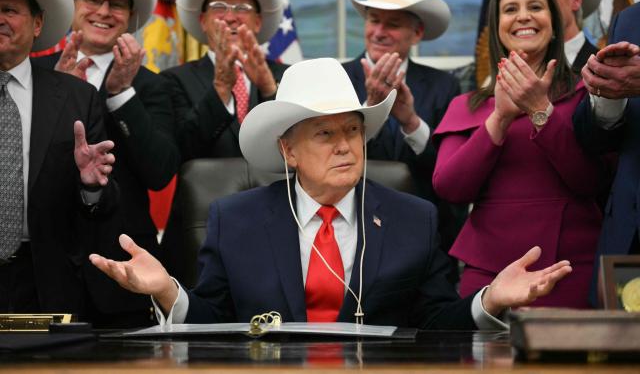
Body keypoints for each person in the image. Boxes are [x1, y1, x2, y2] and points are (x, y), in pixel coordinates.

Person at [89, 58, 572, 329]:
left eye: (353, 130)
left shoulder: (413, 218)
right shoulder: (234, 219)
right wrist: (168, 291)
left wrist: (488, 300)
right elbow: (215, 318)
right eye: (324, 134)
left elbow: (435, 322)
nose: (345, 145)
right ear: (289, 150)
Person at [432, 0, 604, 308]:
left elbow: (592, 180)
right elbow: (450, 189)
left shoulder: (588, 93)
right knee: (483, 361)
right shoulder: (466, 105)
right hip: (487, 275)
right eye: (510, 9)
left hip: (570, 269)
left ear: (554, 24)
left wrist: (540, 110)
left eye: (535, 7)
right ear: (497, 27)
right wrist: (499, 118)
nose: (523, 16)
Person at [34, 0, 180, 326]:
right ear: (72, 5)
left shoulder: (152, 84)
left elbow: (160, 171)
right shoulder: (32, 73)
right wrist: (60, 96)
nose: (103, 11)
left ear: (131, 18)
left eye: (116, 4)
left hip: (124, 271)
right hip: (42, 272)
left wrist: (120, 94)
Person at [0, 0, 117, 319]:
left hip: (47, 281)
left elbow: (106, 206)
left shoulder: (76, 98)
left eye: (9, 10)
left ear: (37, 24)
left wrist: (91, 186)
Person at [342, 0, 463, 278]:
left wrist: (410, 121)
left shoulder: (444, 86)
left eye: (393, 23)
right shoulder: (337, 78)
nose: (379, 31)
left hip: (426, 241)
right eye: (373, 19)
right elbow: (327, 157)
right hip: (350, 235)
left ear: (418, 32)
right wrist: (370, 109)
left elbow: (450, 172)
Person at [163, 0, 288, 161]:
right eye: (219, 7)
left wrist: (268, 91)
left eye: (242, 8)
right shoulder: (174, 81)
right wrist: (221, 89)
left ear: (258, 22)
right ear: (203, 21)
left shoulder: (287, 76)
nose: (230, 17)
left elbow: (301, 145)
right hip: (206, 193)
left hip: (277, 192)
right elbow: (179, 151)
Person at [573, 0, 640, 304]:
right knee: (619, 350)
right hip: (628, 238)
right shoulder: (629, 19)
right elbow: (596, 143)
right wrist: (607, 97)